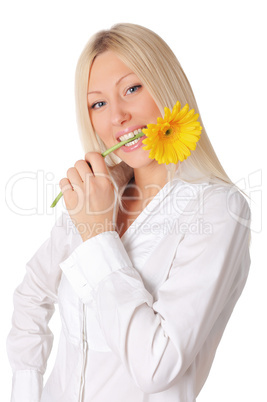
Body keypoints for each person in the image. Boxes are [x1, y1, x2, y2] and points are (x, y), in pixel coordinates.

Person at [7, 23, 251, 402]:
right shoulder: (98, 193)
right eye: (98, 103)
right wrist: (25, 390)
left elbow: (157, 365)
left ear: (166, 86)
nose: (117, 116)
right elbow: (30, 295)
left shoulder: (218, 210)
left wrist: (99, 236)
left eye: (132, 89)